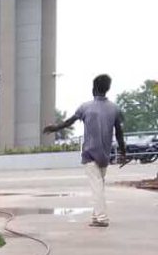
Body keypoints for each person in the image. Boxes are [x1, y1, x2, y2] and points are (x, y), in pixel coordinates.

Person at [43, 73, 127, 227]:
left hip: (90, 153)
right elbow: (119, 133)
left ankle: (102, 218)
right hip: (105, 155)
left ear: (94, 89)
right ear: (107, 89)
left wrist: (54, 128)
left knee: (97, 187)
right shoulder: (115, 108)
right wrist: (123, 152)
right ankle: (96, 216)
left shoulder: (85, 107)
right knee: (99, 185)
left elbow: (68, 122)